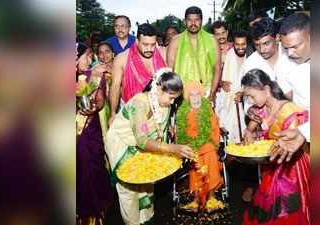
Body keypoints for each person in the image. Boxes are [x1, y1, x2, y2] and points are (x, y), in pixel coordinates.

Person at [105, 70, 196, 225]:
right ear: (159, 89)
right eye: (171, 97)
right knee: (130, 189)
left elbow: (159, 133)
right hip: (123, 146)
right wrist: (173, 149)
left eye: (175, 99)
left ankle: (146, 221)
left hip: (145, 148)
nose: (173, 102)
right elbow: (141, 140)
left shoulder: (163, 104)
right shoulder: (140, 103)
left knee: (146, 183)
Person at [240, 69, 310, 225]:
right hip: (271, 165)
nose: (250, 101)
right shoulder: (263, 108)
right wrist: (250, 132)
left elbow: (293, 145)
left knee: (285, 212)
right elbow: (253, 127)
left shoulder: (289, 111)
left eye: (252, 96)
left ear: (266, 89)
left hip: (289, 169)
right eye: (248, 97)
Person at [241, 17, 295, 143]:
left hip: (299, 121)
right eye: (257, 45)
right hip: (269, 128)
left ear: (277, 38)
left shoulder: (292, 54)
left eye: (266, 43)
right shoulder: (250, 64)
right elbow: (247, 95)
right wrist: (250, 109)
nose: (262, 50)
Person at [76, 42, 113, 225]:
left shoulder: (95, 75)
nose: (91, 59)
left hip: (91, 130)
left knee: (93, 166)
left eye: (92, 55)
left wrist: (94, 106)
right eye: (88, 55)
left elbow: (100, 100)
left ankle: (95, 211)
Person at [176, 81, 224, 213]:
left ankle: (212, 197)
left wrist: (214, 144)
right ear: (187, 97)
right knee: (194, 157)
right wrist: (185, 144)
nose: (195, 98)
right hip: (190, 144)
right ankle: (196, 199)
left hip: (207, 141)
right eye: (192, 95)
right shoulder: (182, 111)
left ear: (201, 95)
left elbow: (214, 128)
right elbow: (180, 133)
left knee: (210, 154)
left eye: (197, 94)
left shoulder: (207, 108)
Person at [270, 12, 310, 164]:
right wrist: (302, 131)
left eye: (295, 46)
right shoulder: (283, 66)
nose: (290, 53)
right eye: (286, 48)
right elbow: (293, 100)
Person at [108, 23, 166, 126]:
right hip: (131, 110)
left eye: (152, 45)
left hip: (159, 111)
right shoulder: (122, 58)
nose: (149, 49)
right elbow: (115, 86)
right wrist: (113, 114)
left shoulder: (163, 54)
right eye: (145, 44)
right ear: (137, 41)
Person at [167, 6, 221, 103]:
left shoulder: (212, 40)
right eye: (189, 20)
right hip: (181, 93)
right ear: (185, 21)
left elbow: (217, 68)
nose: (193, 23)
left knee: (205, 118)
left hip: (206, 92)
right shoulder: (175, 41)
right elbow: (169, 70)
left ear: (201, 21)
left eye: (196, 20)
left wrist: (212, 93)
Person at [215, 30, 248, 143]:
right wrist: (222, 82)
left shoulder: (251, 57)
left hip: (246, 102)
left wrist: (243, 94)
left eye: (243, 44)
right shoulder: (229, 55)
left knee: (245, 137)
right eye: (237, 44)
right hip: (229, 100)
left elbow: (254, 82)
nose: (240, 47)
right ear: (233, 44)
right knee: (228, 138)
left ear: (247, 44)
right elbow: (225, 80)